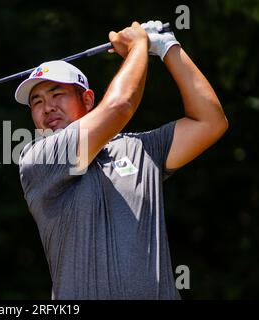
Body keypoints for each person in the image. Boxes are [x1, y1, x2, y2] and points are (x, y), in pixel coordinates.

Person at [14, 21, 228, 299]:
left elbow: (210, 121)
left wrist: (167, 48)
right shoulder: (38, 159)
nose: (48, 107)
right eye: (37, 102)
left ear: (88, 100)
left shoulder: (140, 148)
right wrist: (139, 45)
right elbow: (120, 106)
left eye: (57, 94)